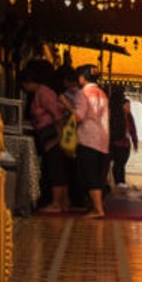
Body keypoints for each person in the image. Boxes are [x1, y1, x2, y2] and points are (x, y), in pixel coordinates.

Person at [25, 64, 79, 215]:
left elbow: (57, 115)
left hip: (53, 137)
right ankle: (63, 201)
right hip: (51, 137)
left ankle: (57, 202)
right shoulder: (43, 92)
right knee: (59, 169)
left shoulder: (44, 93)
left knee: (56, 170)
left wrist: (58, 133)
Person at [72, 70, 116, 219]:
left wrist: (66, 106)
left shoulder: (82, 93)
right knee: (98, 175)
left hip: (88, 137)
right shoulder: (102, 94)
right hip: (103, 139)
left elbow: (79, 116)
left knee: (89, 174)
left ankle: (97, 209)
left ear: (82, 78)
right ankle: (96, 206)